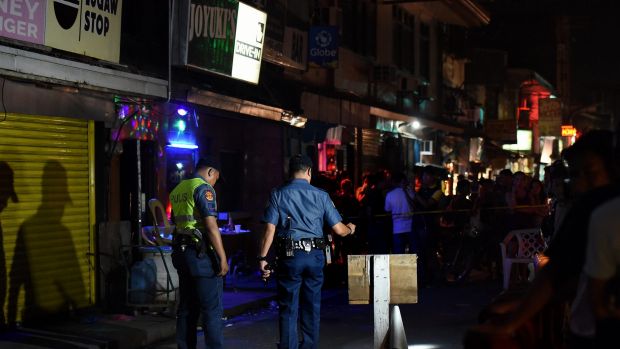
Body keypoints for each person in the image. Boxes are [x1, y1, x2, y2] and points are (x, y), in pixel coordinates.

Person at [257, 154, 356, 349]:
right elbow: (339, 229)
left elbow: (269, 229)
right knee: (311, 306)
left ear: (289, 172)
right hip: (314, 257)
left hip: (290, 257)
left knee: (288, 307)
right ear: (309, 171)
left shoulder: (277, 193)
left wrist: (262, 258)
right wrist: (350, 228)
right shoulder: (321, 195)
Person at [169, 157, 228, 349]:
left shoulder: (178, 189)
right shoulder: (204, 188)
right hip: (200, 255)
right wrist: (222, 257)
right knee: (211, 310)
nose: (215, 184)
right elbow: (211, 226)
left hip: (181, 254)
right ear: (211, 172)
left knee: (187, 308)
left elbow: (175, 222)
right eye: (216, 179)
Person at [384, 172, 413, 254]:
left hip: (397, 228)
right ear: (403, 181)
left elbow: (387, 209)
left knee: (399, 254)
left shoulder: (389, 195)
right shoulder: (409, 192)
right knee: (411, 254)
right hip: (410, 226)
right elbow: (414, 204)